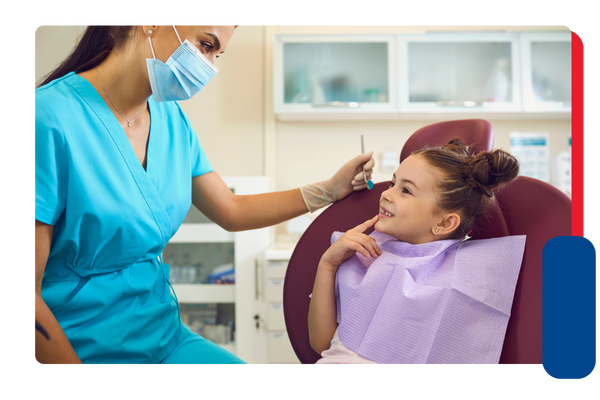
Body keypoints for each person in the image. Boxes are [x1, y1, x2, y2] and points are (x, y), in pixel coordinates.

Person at [32, 23, 375, 367]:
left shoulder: (170, 119)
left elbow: (231, 210)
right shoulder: (47, 119)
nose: (210, 66)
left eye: (217, 54)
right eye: (206, 45)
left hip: (162, 337)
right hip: (78, 345)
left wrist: (328, 190)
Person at [308, 138, 526, 366]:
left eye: (406, 190)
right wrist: (328, 265)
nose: (386, 194)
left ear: (444, 223)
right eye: (392, 184)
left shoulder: (461, 280)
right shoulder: (360, 253)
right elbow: (323, 344)